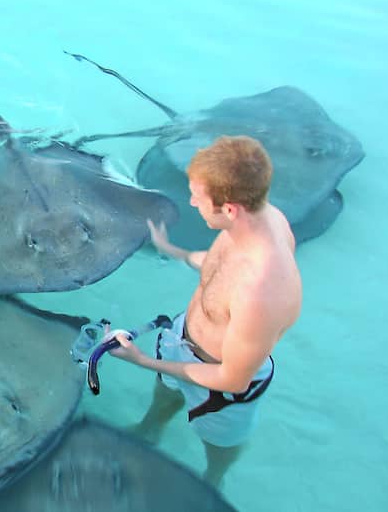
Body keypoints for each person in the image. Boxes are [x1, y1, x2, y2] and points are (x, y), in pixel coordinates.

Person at [108, 135, 302, 487]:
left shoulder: (263, 292)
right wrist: (172, 250)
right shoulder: (259, 218)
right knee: (166, 392)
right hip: (182, 339)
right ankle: (150, 430)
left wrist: (141, 361)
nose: (192, 202)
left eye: (198, 196)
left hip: (221, 388)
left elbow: (232, 379)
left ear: (229, 209)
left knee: (219, 442)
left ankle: (214, 479)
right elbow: (217, 264)